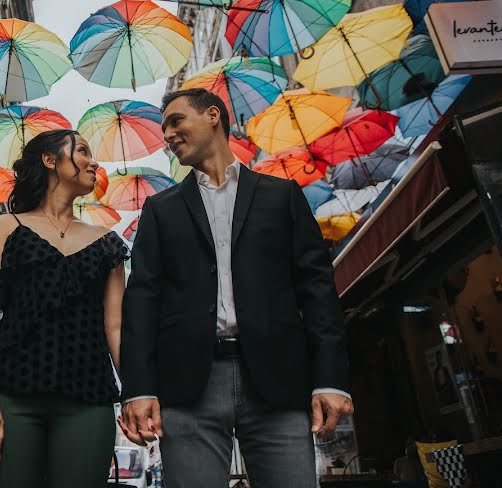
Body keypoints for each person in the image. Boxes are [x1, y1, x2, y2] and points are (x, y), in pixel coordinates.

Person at [119, 89, 354, 487]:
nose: (169, 134)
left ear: (213, 116)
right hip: (189, 385)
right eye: (164, 128)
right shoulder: (161, 210)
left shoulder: (281, 196)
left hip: (277, 378)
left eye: (176, 121)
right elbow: (142, 301)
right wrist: (138, 389)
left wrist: (329, 377)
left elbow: (317, 290)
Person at [0, 129, 129, 488]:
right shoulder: (5, 228)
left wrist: (137, 393)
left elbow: (116, 329)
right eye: (83, 151)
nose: (94, 161)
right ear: (50, 160)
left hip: (88, 401)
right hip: (13, 397)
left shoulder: (107, 245)